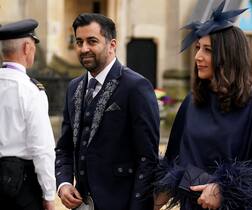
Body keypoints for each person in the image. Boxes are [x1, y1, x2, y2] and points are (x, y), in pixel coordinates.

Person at [154, 2, 252, 210]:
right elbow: (174, 161)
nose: (198, 56)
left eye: (207, 50)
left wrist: (224, 190)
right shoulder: (192, 102)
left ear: (228, 56)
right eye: (198, 48)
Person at [55, 13, 160, 210]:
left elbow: (148, 159)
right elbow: (64, 147)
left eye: (92, 41)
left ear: (112, 45)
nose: (84, 48)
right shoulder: (73, 87)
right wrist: (64, 183)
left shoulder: (136, 86)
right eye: (79, 42)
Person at [0, 19, 56, 210]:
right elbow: (42, 149)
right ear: (27, 48)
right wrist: (49, 195)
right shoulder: (31, 91)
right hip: (21, 186)